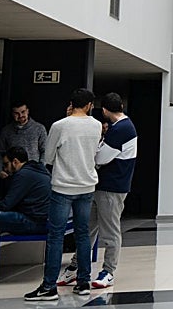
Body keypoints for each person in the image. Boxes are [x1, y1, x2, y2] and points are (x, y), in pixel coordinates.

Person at [26, 89, 102, 301]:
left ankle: (49, 286)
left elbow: (48, 157)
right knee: (83, 233)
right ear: (89, 105)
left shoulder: (60, 125)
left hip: (63, 186)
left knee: (56, 235)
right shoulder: (96, 126)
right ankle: (84, 282)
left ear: (71, 104)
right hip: (87, 185)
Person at [59, 93, 139, 289]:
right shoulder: (120, 127)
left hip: (112, 189)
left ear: (104, 110)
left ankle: (108, 271)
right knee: (88, 228)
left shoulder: (122, 129)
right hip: (103, 187)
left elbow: (101, 158)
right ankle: (76, 267)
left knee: (109, 231)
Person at [0, 146, 50, 234]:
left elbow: (6, 205)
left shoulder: (23, 175)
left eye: (6, 164)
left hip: (32, 222)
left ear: (15, 162)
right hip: (45, 222)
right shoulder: (41, 171)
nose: (5, 169)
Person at [0, 102, 47, 181]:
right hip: (11, 175)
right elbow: (0, 152)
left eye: (23, 112)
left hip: (33, 174)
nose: (20, 116)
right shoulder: (6, 130)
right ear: (12, 114)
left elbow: (45, 151)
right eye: (17, 113)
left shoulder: (39, 129)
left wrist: (40, 169)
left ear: (27, 111)